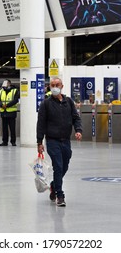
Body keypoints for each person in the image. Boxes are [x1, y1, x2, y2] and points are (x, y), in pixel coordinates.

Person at [37, 77, 82, 207]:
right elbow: (41, 124)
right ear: (49, 87)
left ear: (62, 86)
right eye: (52, 85)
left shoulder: (68, 102)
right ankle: (60, 195)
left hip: (66, 140)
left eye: (57, 85)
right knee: (58, 165)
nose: (55, 87)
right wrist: (39, 142)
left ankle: (53, 185)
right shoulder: (46, 104)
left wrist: (78, 130)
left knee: (65, 165)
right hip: (52, 140)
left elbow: (76, 118)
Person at [0, 79, 19, 146]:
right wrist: (1, 105)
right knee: (4, 128)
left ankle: (13, 141)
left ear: (9, 83)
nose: (4, 85)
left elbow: (15, 100)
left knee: (12, 128)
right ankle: (5, 141)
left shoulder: (14, 91)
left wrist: (7, 105)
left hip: (11, 112)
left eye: (6, 83)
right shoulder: (1, 91)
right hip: (3, 112)